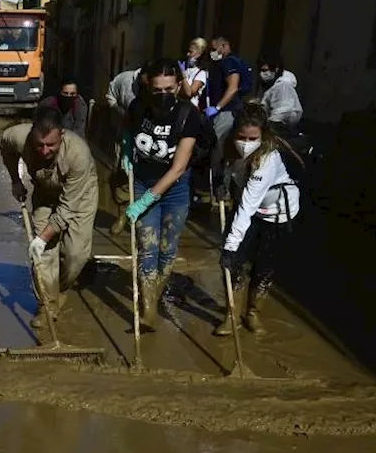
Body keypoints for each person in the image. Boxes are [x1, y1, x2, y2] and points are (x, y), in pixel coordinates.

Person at [121, 59, 202, 331]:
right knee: (147, 247)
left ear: (178, 85)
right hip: (144, 180)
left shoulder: (188, 115)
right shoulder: (138, 107)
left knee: (167, 250)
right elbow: (127, 131)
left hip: (175, 189)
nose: (163, 94)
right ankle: (148, 309)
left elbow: (178, 167)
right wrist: (124, 152)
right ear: (149, 88)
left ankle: (155, 294)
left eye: (169, 88)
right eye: (157, 89)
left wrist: (141, 203)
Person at [1, 106, 98, 327]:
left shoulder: (78, 154)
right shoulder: (16, 136)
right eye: (39, 145)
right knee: (43, 255)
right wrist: (15, 180)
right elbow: (6, 148)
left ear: (61, 135)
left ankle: (62, 288)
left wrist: (42, 237)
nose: (44, 151)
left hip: (79, 197)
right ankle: (47, 303)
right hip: (44, 191)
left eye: (51, 145)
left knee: (75, 256)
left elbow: (66, 210)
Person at [215, 103, 302, 336]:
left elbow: (248, 205)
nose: (245, 142)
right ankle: (231, 315)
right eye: (241, 136)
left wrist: (230, 247)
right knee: (234, 266)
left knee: (264, 265)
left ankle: (252, 312)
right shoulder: (228, 144)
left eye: (252, 138)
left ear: (263, 136)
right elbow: (223, 168)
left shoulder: (268, 158)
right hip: (247, 204)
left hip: (277, 213)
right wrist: (220, 184)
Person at [205, 36, 252, 199]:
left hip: (226, 113)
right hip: (226, 111)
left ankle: (220, 192)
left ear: (224, 46)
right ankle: (221, 191)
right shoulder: (226, 63)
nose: (211, 52)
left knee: (220, 151)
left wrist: (217, 107)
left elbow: (232, 87)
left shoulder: (229, 63)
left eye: (213, 48)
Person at [106, 64, 147, 235]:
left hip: (150, 138)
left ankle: (142, 218)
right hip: (125, 133)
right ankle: (123, 214)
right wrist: (118, 111)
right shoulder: (124, 80)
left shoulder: (162, 88)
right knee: (122, 176)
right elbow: (109, 96)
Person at [256, 56, 303, 130]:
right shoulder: (268, 85)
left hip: (280, 129)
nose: (261, 74)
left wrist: (267, 128)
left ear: (276, 69)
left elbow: (282, 112)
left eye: (265, 70)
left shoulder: (282, 86)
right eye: (259, 70)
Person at [180, 38, 210, 109]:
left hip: (191, 108)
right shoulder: (187, 70)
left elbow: (190, 93)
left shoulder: (201, 73)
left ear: (199, 54)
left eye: (191, 52)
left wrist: (183, 76)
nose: (188, 54)